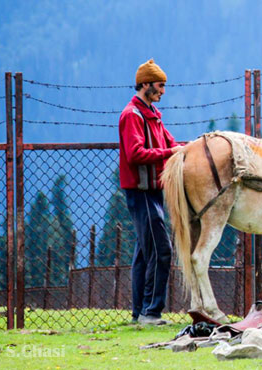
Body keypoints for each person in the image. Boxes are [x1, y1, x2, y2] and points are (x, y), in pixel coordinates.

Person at [118, 59, 182, 325]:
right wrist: (171, 153)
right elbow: (135, 154)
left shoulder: (152, 116)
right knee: (161, 250)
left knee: (145, 253)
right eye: (159, 85)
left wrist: (183, 150)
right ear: (145, 84)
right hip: (141, 191)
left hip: (152, 191)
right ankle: (152, 313)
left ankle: (139, 313)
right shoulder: (132, 115)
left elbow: (171, 142)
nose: (162, 91)